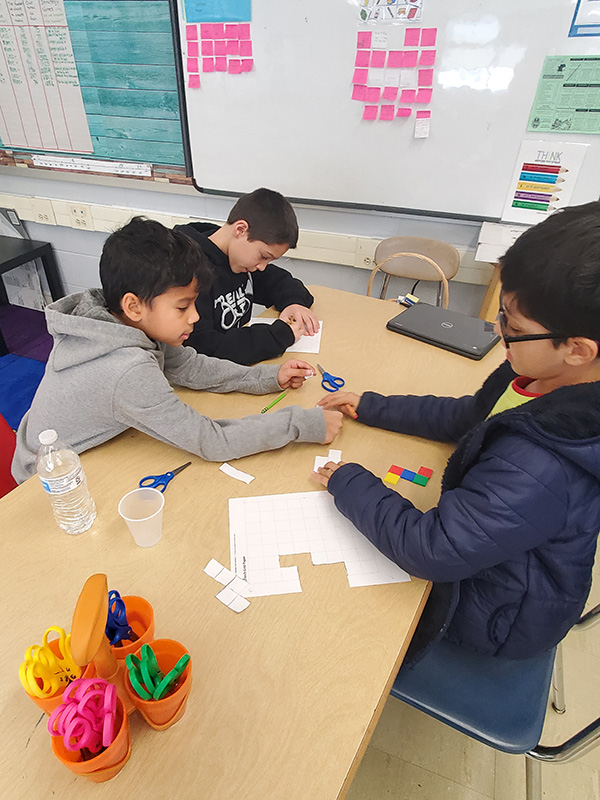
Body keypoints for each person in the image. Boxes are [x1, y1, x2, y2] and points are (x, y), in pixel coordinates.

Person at [314, 201, 600, 660]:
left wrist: (350, 482)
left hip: (493, 614)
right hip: (492, 554)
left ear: (577, 349)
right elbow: (469, 417)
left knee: (344, 632)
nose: (495, 327)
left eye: (512, 323)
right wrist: (373, 406)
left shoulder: (545, 462)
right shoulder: (535, 373)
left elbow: (434, 549)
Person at [11, 217, 342, 483]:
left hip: (79, 448)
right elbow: (213, 442)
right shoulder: (126, 369)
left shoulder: (117, 320)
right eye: (183, 307)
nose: (195, 317)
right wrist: (302, 423)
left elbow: (190, 368)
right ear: (134, 306)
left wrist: (269, 378)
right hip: (48, 480)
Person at [175, 187, 319, 365]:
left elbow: (279, 281)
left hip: (239, 370)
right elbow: (205, 347)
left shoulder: (239, 260)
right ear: (241, 230)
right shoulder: (188, 271)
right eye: (264, 256)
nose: (262, 267)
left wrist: (293, 302)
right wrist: (277, 337)